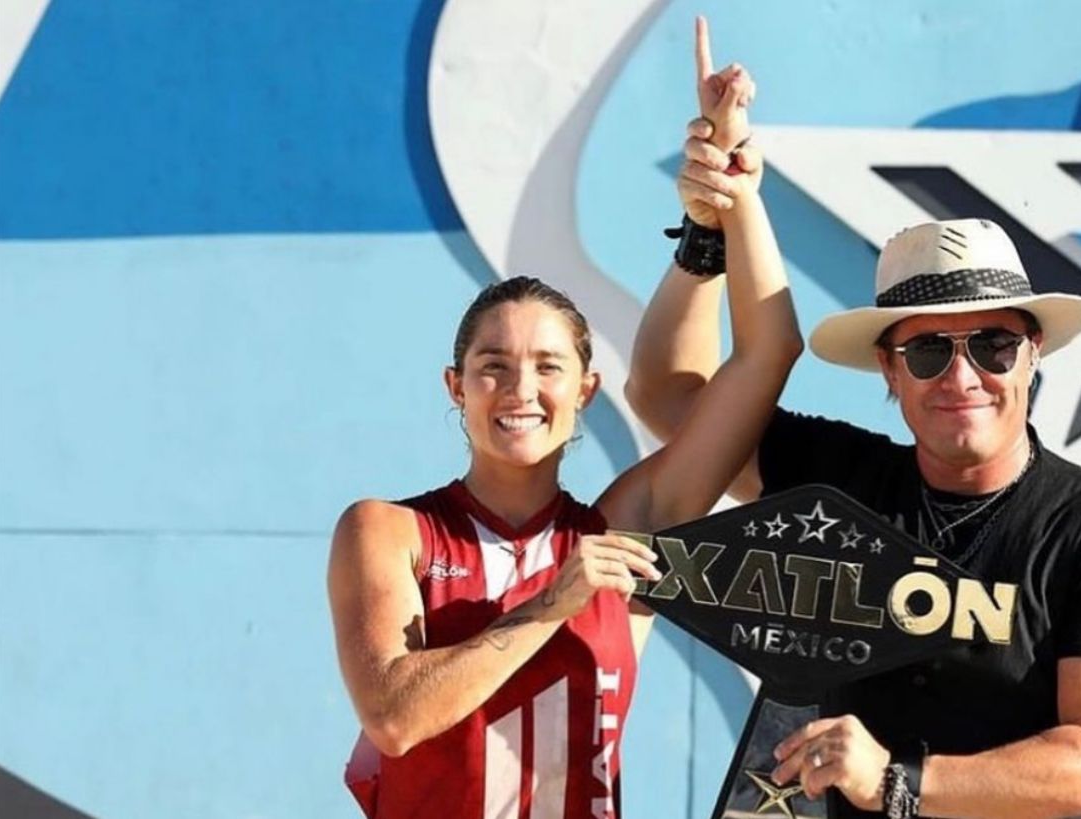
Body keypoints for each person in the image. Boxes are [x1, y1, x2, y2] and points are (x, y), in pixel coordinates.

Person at [629, 84, 1081, 819]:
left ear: (1032, 355)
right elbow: (673, 401)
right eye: (927, 351)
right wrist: (711, 231)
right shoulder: (837, 485)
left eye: (992, 344)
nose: (962, 376)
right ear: (889, 370)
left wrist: (896, 780)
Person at [326, 22, 788, 819]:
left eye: (548, 367)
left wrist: (724, 207)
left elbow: (764, 357)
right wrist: (552, 601)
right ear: (456, 386)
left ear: (586, 391)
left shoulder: (625, 530)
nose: (520, 388)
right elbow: (394, 716)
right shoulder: (390, 531)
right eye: (493, 365)